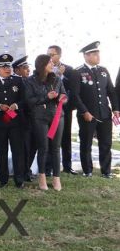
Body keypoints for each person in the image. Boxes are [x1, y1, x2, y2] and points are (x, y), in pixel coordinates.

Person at [73, 41, 119, 178]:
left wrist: (116, 108)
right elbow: (75, 95)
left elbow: (111, 91)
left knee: (106, 143)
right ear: (86, 56)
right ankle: (88, 171)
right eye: (94, 54)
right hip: (87, 115)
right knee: (86, 143)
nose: (98, 56)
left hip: (104, 113)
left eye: (98, 53)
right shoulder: (78, 72)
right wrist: (84, 112)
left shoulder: (103, 70)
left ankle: (106, 171)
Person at [24, 54, 67, 191]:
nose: (52, 64)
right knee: (43, 147)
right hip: (39, 117)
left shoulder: (56, 79)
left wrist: (62, 98)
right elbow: (29, 101)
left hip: (57, 117)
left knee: (55, 147)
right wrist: (46, 97)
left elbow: (65, 95)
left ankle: (56, 178)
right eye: (49, 62)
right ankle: (41, 177)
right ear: (42, 64)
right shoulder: (30, 81)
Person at [0, 54, 26, 188]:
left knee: (17, 151)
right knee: (1, 152)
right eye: (3, 66)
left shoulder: (18, 81)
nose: (7, 68)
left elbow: (24, 100)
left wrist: (16, 105)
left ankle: (19, 179)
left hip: (16, 123)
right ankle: (3, 179)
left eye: (8, 66)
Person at [47, 45, 80, 175]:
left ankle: (67, 166)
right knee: (50, 138)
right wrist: (57, 74)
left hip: (64, 109)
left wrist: (67, 103)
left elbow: (73, 90)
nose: (49, 57)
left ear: (59, 55)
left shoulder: (70, 70)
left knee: (65, 137)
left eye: (52, 54)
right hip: (48, 109)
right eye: (48, 54)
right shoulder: (45, 70)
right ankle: (48, 167)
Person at [13, 56, 37, 181]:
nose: (28, 70)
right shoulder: (15, 83)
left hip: (34, 119)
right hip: (22, 120)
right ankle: (23, 172)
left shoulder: (31, 81)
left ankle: (27, 169)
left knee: (33, 146)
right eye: (24, 68)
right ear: (17, 70)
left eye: (28, 68)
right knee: (24, 148)